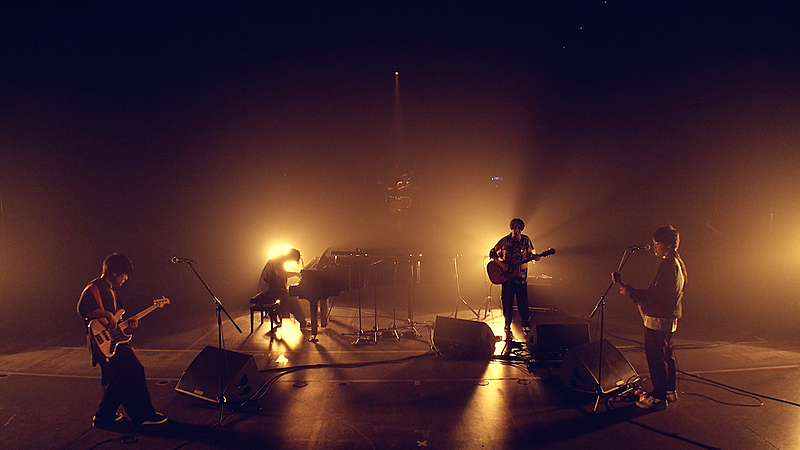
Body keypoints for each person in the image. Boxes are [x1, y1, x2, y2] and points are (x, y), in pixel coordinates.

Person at [77, 253, 167, 427]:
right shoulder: (94, 288)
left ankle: (105, 415)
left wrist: (128, 323)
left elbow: (116, 319)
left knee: (115, 380)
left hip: (111, 340)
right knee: (134, 371)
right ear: (114, 273)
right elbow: (82, 309)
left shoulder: (110, 292)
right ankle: (144, 415)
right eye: (124, 274)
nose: (126, 278)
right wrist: (106, 314)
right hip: (102, 342)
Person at [613, 225, 687, 410]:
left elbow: (655, 295)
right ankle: (669, 391)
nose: (654, 247)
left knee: (655, 358)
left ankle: (659, 397)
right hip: (670, 317)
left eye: (657, 243)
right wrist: (630, 290)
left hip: (660, 318)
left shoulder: (668, 265)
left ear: (668, 245)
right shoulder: (678, 262)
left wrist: (630, 291)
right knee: (666, 356)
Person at [490, 218, 539, 340]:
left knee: (523, 302)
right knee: (507, 303)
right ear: (511, 228)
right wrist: (501, 264)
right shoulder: (505, 240)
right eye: (514, 227)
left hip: (521, 277)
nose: (517, 229)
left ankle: (526, 325)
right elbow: (492, 252)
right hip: (506, 278)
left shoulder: (526, 240)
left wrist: (535, 257)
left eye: (519, 227)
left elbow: (532, 252)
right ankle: (507, 326)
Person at [256, 248, 308, 328]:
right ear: (291, 256)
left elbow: (280, 276)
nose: (291, 262)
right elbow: (279, 273)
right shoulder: (278, 260)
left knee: (291, 299)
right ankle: (274, 313)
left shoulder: (280, 259)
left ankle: (302, 322)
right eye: (293, 260)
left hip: (272, 288)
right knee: (290, 300)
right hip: (267, 290)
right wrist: (295, 274)